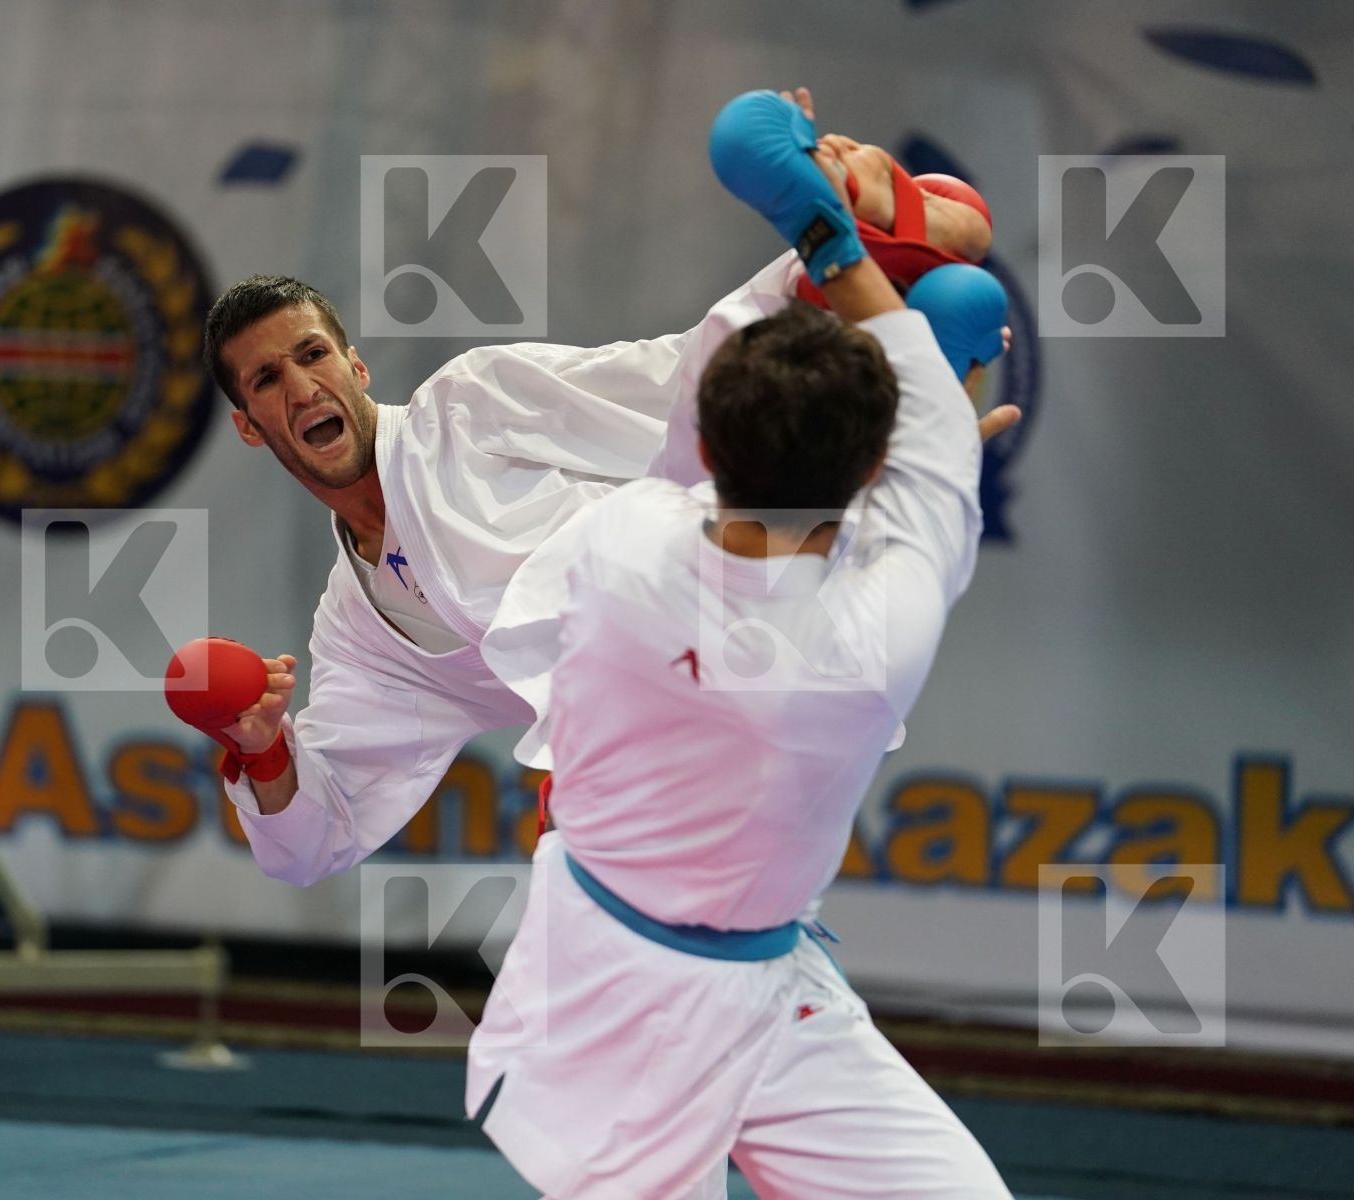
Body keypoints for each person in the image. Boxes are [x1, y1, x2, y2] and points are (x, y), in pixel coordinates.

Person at [188, 87, 1014, 891]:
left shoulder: (468, 408)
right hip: (695, 752)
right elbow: (312, 842)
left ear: (355, 367)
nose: (301, 388)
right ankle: (885, 295)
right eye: (267, 379)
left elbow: (665, 384)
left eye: (313, 356)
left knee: (703, 442)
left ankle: (847, 248)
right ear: (250, 425)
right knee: (733, 955)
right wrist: (263, 750)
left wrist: (799, 275)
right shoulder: (361, 634)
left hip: (715, 623)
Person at [464, 90, 1010, 1197]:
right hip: (625, 1003)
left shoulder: (617, 542)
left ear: (713, 446)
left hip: (733, 980)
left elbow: (736, 424)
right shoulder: (880, 630)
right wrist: (837, 229)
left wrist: (807, 217)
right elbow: (921, 424)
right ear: (872, 479)